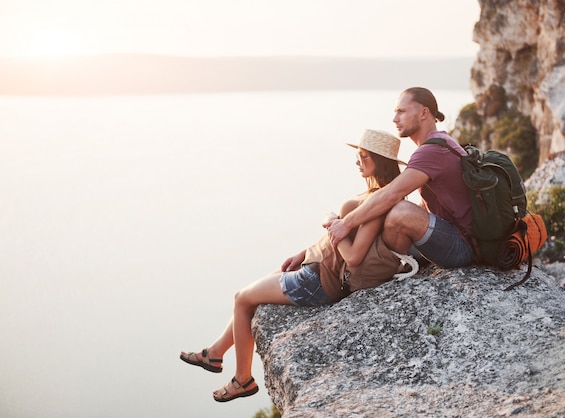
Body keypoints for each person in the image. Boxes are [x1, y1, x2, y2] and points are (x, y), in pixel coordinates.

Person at [180, 129, 409, 403]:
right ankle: (215, 353)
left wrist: (330, 223)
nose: (357, 162)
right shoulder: (376, 194)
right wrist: (305, 252)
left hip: (317, 281)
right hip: (316, 268)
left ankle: (243, 379)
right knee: (256, 291)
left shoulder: (377, 201)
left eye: (363, 157)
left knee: (242, 299)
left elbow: (354, 256)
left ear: (379, 161)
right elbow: (339, 239)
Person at [326, 87, 474, 268]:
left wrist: (346, 224)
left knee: (398, 211)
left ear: (424, 113)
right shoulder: (438, 143)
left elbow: (391, 194)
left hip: (462, 247)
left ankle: (380, 268)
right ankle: (330, 261)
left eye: (401, 112)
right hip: (455, 238)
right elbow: (426, 206)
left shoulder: (433, 150)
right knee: (377, 215)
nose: (395, 119)